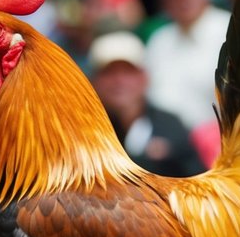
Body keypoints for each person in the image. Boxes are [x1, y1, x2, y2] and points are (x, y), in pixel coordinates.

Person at [88, 30, 205, 178]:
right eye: (109, 72)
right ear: (93, 81)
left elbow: (197, 179)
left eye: (128, 71)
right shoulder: (83, 131)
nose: (119, 80)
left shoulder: (170, 125)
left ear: (144, 77)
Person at [142, 0, 232, 132]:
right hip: (171, 140)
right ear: (165, 1)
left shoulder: (227, 29)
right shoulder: (159, 40)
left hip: (221, 137)